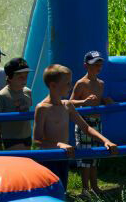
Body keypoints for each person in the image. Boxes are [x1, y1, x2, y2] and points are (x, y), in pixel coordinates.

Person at [34, 64, 117, 193]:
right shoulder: (42, 108)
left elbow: (86, 128)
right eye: (67, 83)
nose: (71, 86)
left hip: (64, 157)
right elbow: (37, 140)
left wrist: (105, 140)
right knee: (51, 194)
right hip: (49, 158)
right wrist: (59, 144)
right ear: (53, 85)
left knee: (63, 191)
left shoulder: (67, 105)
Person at [70, 51, 115, 197]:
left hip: (97, 122)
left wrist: (106, 101)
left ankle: (94, 186)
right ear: (86, 66)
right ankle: (85, 189)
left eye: (100, 64)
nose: (98, 67)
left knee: (95, 157)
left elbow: (99, 100)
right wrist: (83, 102)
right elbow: (70, 103)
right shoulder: (81, 83)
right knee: (85, 158)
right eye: (95, 64)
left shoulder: (101, 83)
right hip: (84, 123)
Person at [0, 57, 33, 151]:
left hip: (27, 136)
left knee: (25, 163)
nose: (24, 80)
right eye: (20, 77)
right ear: (9, 78)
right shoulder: (2, 96)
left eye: (26, 76)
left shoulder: (28, 92)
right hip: (11, 138)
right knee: (18, 162)